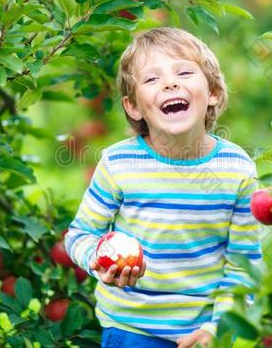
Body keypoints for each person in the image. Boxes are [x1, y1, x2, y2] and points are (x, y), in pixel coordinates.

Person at [65, 27, 262, 348]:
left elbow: (244, 263)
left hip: (203, 332)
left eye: (184, 72)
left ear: (212, 92)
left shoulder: (237, 169)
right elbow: (79, 235)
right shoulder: (119, 164)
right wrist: (99, 262)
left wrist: (219, 327)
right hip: (131, 328)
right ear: (134, 107)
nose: (170, 83)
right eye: (152, 79)